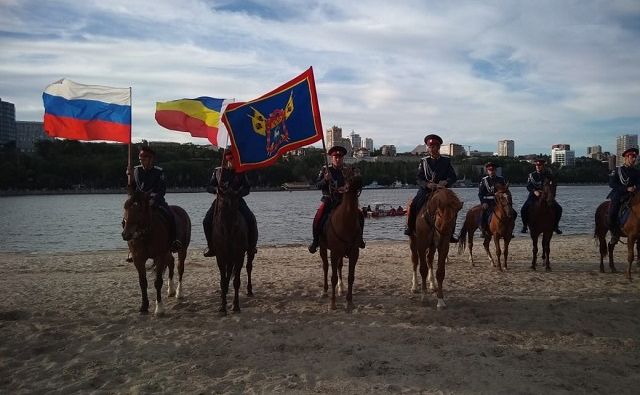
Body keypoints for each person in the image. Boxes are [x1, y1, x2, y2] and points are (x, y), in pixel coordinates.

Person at [308, 145, 365, 254]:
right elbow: (317, 185)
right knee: (318, 216)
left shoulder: (348, 170)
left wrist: (347, 187)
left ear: (343, 158)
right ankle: (315, 241)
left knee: (360, 215)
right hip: (329, 200)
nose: (338, 159)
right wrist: (325, 179)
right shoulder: (325, 169)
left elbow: (355, 183)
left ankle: (360, 239)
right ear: (332, 158)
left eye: (340, 157)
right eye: (335, 157)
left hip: (344, 200)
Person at [404, 134, 458, 242]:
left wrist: (446, 182)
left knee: (453, 206)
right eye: (429, 147)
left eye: (433, 147)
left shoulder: (446, 161)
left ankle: (451, 233)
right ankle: (410, 228)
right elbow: (418, 178)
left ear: (438, 147)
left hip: (442, 189)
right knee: (414, 204)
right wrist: (427, 184)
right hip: (426, 189)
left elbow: (453, 177)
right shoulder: (424, 161)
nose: (431, 149)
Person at [203, 150, 257, 257]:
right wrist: (216, 190)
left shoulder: (241, 171)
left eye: (233, 159)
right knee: (206, 221)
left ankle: (251, 246)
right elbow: (208, 187)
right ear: (225, 159)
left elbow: (247, 188)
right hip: (221, 200)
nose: (231, 162)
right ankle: (211, 246)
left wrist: (238, 193)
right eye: (229, 159)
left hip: (237, 200)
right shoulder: (218, 171)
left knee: (250, 218)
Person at [130, 146, 181, 252]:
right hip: (140, 203)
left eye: (144, 159)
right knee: (128, 218)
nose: (142, 162)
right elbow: (133, 189)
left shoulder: (159, 172)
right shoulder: (135, 170)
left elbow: (162, 190)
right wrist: (129, 177)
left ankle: (173, 241)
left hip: (156, 201)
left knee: (170, 216)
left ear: (151, 159)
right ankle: (131, 247)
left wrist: (153, 200)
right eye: (140, 159)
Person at [520, 159, 563, 234]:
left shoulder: (548, 174)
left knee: (559, 209)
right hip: (534, 195)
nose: (538, 167)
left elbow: (553, 184)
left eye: (539, 165)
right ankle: (524, 226)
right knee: (523, 209)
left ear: (543, 166)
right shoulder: (532, 175)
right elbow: (528, 186)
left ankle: (555, 226)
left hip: (546, 196)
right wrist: (534, 191)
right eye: (537, 165)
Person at [607, 147, 640, 239]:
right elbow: (612, 184)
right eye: (632, 157)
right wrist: (626, 189)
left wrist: (635, 187)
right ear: (626, 157)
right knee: (612, 212)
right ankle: (614, 233)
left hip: (633, 194)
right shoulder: (617, 171)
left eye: (635, 157)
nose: (634, 159)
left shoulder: (637, 172)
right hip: (619, 194)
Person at [478, 162, 507, 238]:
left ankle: (509, 230)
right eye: (490, 170)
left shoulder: (501, 179)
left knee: (511, 212)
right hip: (488, 202)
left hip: (499, 202)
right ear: (487, 171)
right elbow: (480, 194)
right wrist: (483, 202)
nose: (491, 171)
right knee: (483, 214)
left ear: (495, 170)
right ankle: (483, 230)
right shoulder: (484, 180)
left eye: (493, 170)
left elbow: (505, 191)